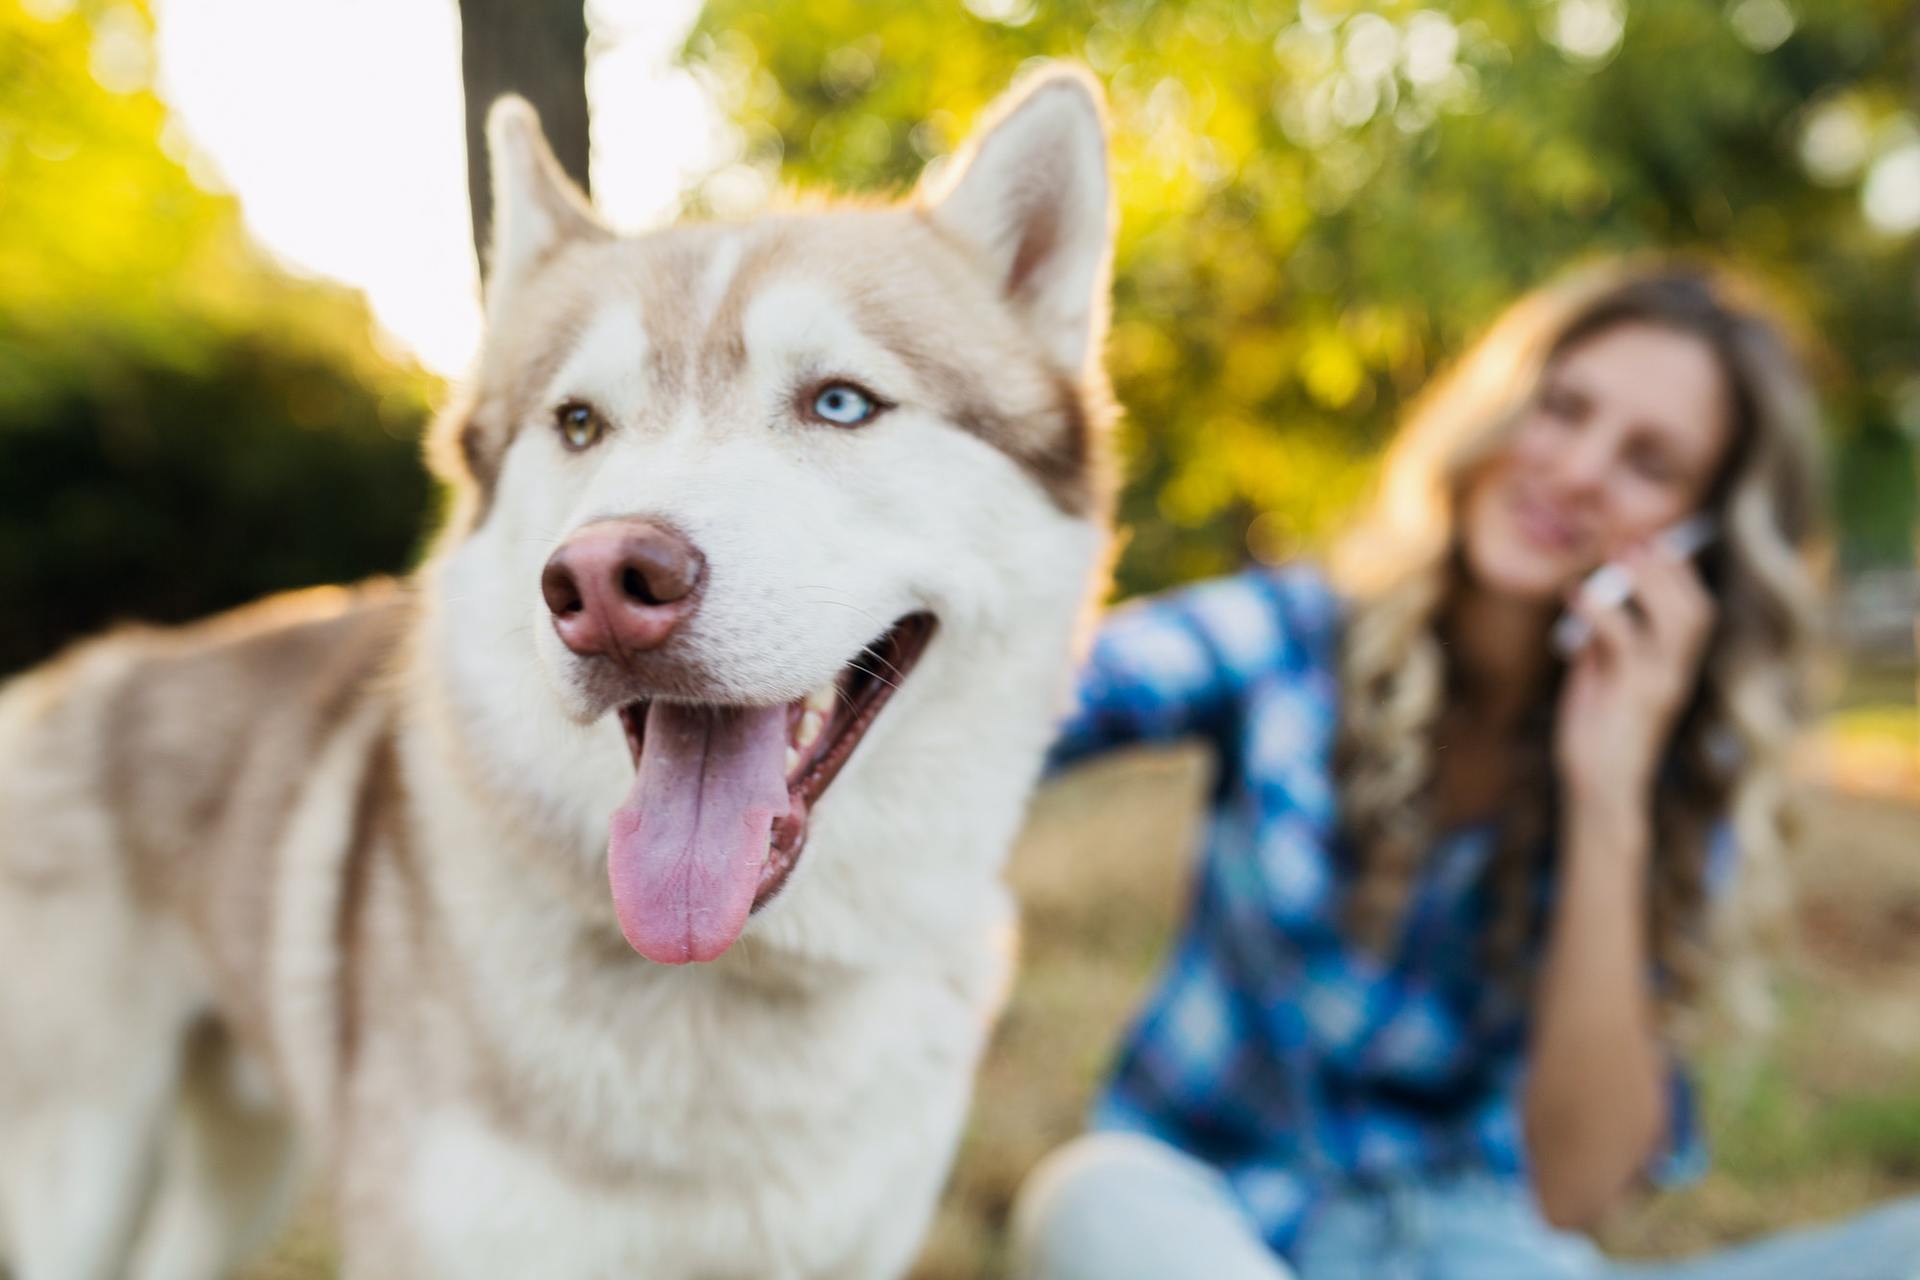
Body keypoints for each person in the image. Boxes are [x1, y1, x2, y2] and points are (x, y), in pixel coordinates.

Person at [1011, 258, 1920, 1279]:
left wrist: (1609, 794)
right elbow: (1033, 701)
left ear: (1700, 540)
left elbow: (1573, 1188)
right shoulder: (1293, 637)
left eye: (1650, 463)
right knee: (1093, 1192)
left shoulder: (1672, 775)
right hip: (1215, 1229)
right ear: (1498, 410)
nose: (1578, 469)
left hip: (1484, 1254)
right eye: (1564, 408)